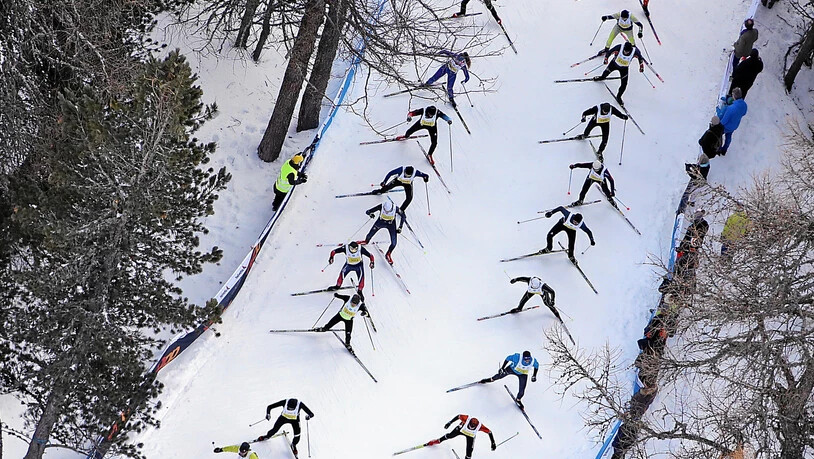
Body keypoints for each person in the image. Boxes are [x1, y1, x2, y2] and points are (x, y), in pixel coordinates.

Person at [426, 415, 497, 459]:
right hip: (460, 430)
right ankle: (437, 441)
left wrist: (493, 443)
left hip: (470, 436)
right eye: (470, 425)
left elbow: (489, 432)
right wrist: (449, 423)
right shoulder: (466, 418)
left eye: (473, 427)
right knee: (450, 435)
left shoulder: (480, 426)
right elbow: (458, 416)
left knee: (469, 451)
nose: (471, 427)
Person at [361, 198, 405, 265]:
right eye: (385, 211)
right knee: (370, 234)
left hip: (391, 225)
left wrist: (400, 227)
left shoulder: (395, 208)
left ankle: (388, 253)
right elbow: (368, 211)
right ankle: (366, 241)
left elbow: (403, 216)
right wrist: (371, 214)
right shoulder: (381, 205)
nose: (386, 212)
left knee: (394, 243)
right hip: (380, 222)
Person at [718, 87, 748, 155]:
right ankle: (724, 150)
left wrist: (718, 124)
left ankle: (719, 149)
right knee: (728, 137)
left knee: (719, 136)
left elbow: (724, 121)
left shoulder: (731, 108)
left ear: (734, 96)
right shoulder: (744, 105)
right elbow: (744, 113)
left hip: (726, 126)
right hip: (735, 125)